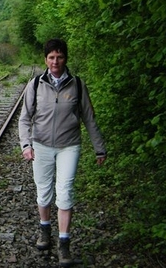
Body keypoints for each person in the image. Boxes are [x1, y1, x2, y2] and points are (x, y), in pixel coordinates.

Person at [18, 38, 107, 267]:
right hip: (41, 145)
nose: (55, 61)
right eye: (51, 57)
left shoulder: (77, 84)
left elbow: (89, 118)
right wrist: (26, 145)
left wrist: (99, 147)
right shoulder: (35, 84)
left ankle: (64, 245)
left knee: (65, 192)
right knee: (43, 191)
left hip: (69, 145)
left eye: (59, 57)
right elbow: (25, 118)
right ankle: (45, 230)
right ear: (45, 59)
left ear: (65, 58)